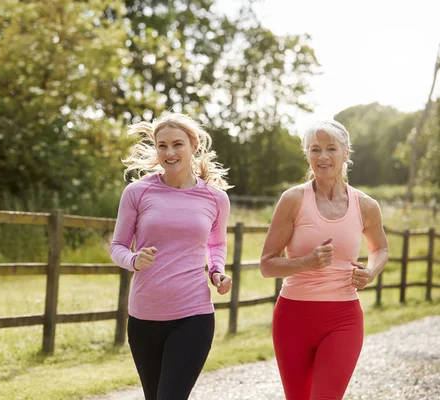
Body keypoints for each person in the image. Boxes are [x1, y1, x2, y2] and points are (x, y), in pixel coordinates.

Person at [259, 120, 389, 400]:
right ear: (307, 154)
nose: (323, 156)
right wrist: (305, 263)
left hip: (343, 318)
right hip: (293, 318)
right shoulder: (292, 200)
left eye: (331, 148)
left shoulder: (365, 205)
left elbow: (380, 249)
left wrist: (371, 272)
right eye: (315, 149)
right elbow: (267, 265)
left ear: (346, 152)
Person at [110, 112, 232, 400]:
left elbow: (216, 245)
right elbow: (117, 246)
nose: (169, 152)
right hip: (144, 316)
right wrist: (133, 260)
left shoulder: (216, 198)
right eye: (162, 145)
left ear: (193, 145)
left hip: (193, 315)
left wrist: (216, 272)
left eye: (177, 144)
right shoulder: (137, 192)